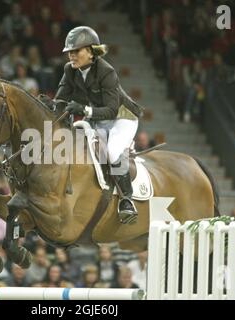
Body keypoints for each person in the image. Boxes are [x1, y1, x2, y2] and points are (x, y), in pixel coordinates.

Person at [54, 26, 144, 224]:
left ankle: (126, 200)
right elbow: (60, 100)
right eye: (69, 52)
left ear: (90, 51)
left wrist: (83, 110)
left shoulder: (106, 71)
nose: (71, 56)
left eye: (75, 51)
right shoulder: (70, 70)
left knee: (111, 152)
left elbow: (111, 110)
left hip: (122, 118)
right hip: (97, 119)